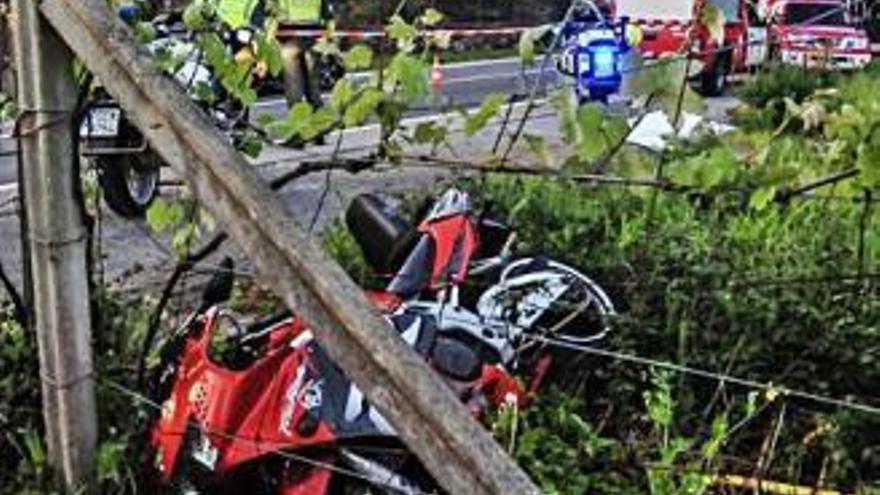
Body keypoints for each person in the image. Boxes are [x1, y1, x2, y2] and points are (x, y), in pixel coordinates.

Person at [276, 0, 330, 111]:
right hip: (297, 37)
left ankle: (302, 110)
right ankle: (312, 109)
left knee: (297, 75)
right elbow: (328, 16)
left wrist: (327, 37)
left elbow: (329, 17)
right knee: (303, 74)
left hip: (306, 37)